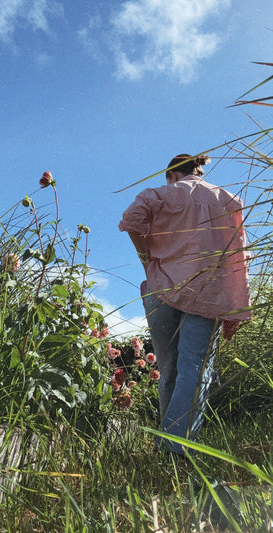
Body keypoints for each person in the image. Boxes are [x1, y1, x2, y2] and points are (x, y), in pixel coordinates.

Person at [119, 154, 251, 455]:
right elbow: (239, 254)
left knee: (168, 369)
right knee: (194, 367)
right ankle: (177, 447)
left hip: (160, 286)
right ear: (199, 172)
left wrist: (147, 259)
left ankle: (167, 445)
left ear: (171, 175)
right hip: (207, 292)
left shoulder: (158, 194)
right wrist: (234, 307)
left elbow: (131, 220)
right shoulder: (228, 200)